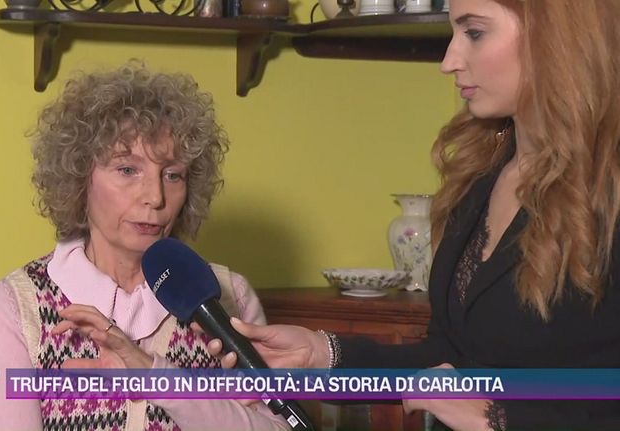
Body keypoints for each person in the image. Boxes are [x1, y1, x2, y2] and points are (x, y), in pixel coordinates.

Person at [207, 1, 620, 430]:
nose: (449, 60)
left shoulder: (610, 194)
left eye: (474, 33)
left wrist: (499, 419)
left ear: (554, 36)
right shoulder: (482, 175)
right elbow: (447, 360)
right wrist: (321, 355)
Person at [0, 61, 290, 431]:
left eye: (172, 175)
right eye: (127, 170)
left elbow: (280, 425)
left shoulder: (228, 297)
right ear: (79, 176)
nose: (155, 197)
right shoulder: (18, 307)